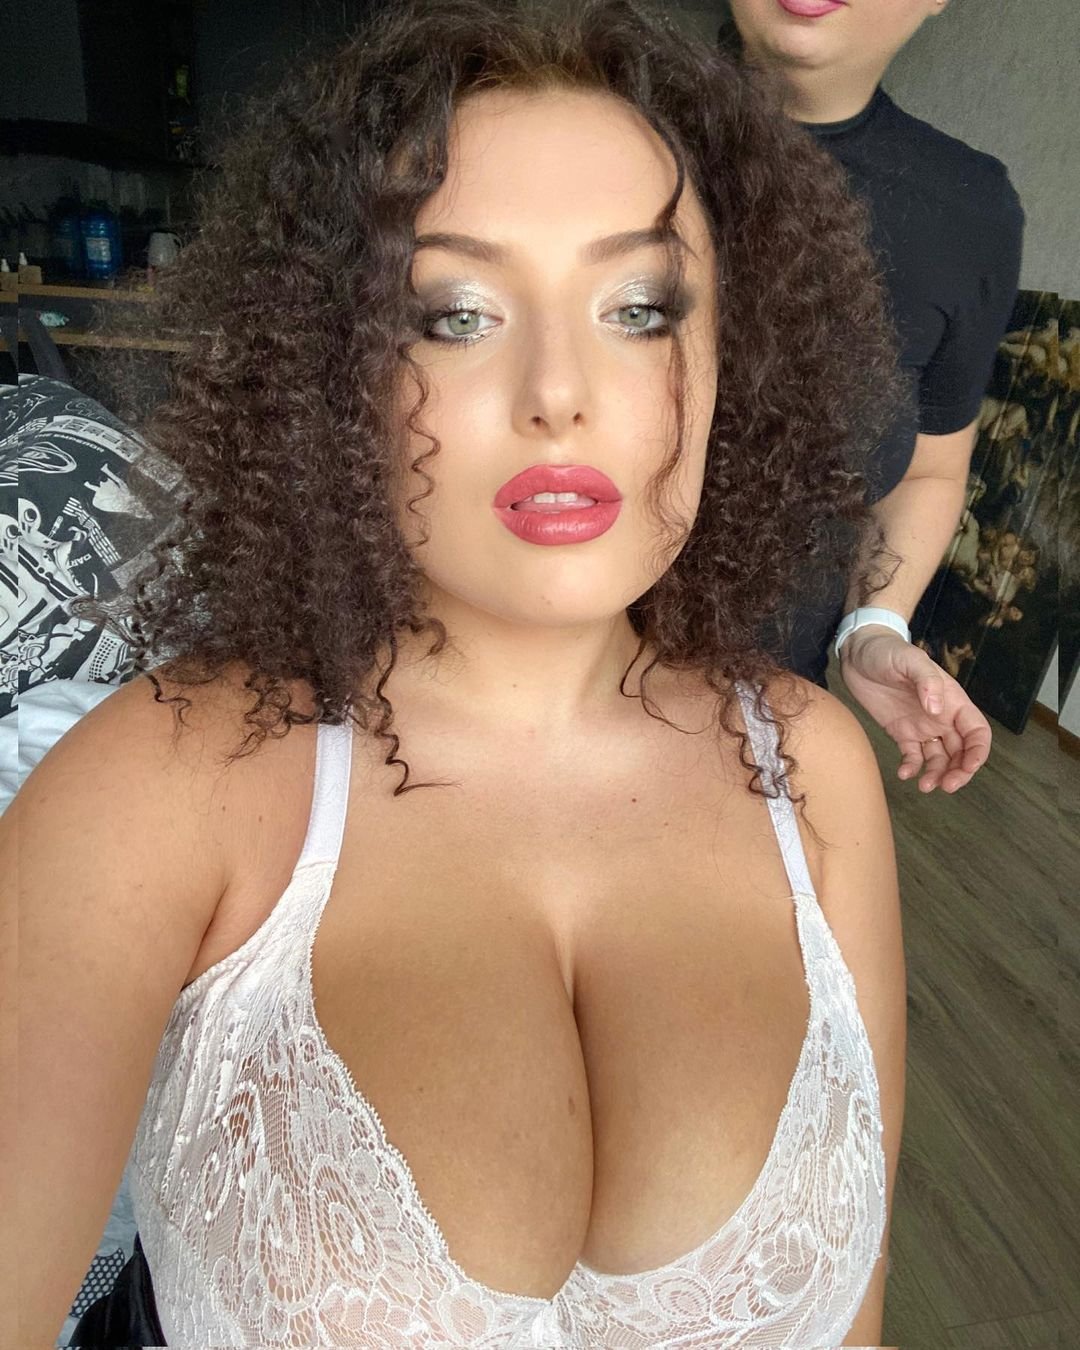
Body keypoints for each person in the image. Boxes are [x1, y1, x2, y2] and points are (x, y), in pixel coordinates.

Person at [13, 1, 908, 1345]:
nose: (558, 391)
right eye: (454, 314)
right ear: (334, 366)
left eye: (640, 308)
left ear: (737, 354)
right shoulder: (159, 790)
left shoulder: (814, 770)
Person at [723, 0, 1024, 792]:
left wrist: (874, 625)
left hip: (756, 719)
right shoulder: (587, 134)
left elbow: (928, 469)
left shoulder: (970, 211)